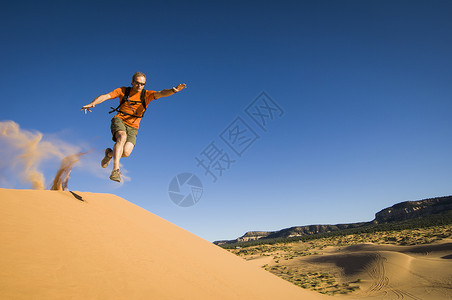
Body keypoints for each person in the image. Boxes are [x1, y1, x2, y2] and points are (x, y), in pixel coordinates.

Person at [81, 72, 186, 182]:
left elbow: (161, 93)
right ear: (132, 82)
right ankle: (115, 170)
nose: (139, 86)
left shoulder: (147, 95)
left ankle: (109, 154)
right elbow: (106, 96)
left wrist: (174, 90)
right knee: (122, 136)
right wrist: (93, 103)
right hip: (120, 119)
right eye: (137, 83)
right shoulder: (123, 91)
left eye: (142, 84)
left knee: (126, 152)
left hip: (133, 127)